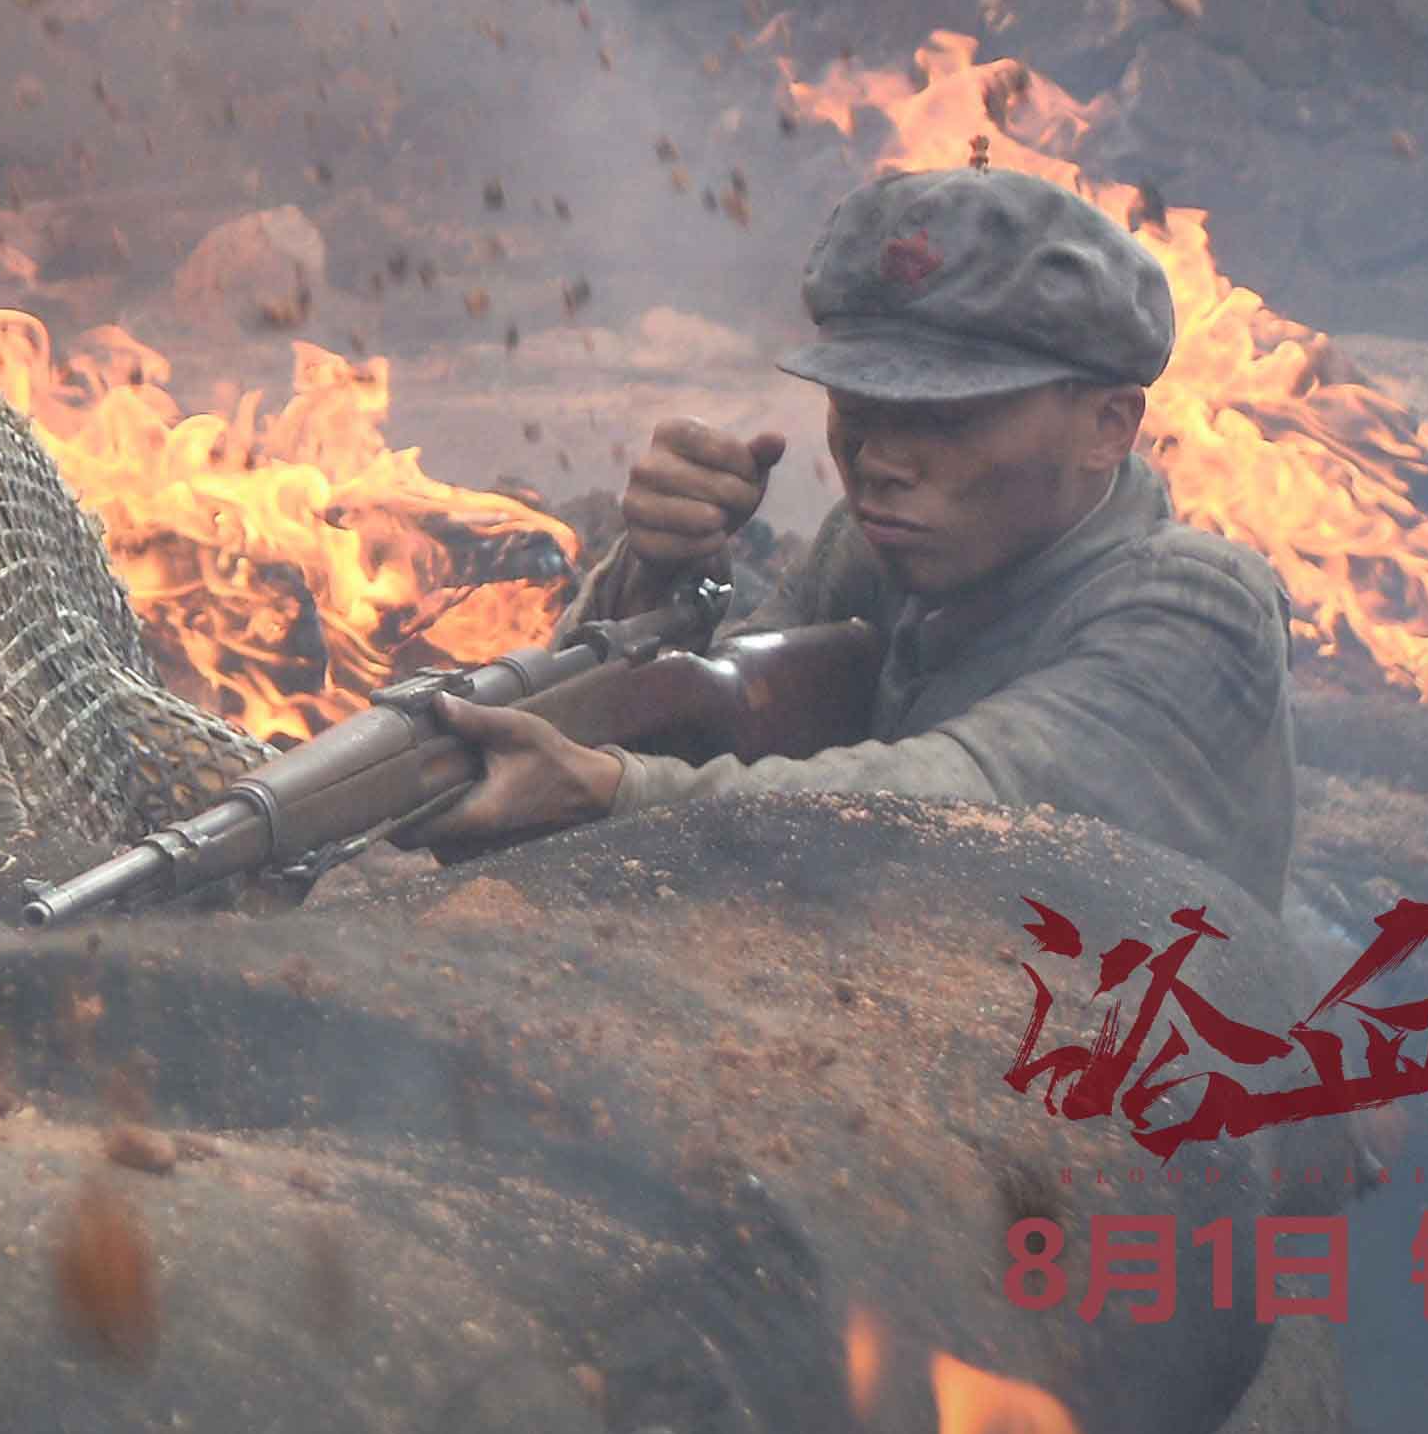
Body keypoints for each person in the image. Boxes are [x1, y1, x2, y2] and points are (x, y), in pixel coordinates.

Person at [416, 166, 1295, 902]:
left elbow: (956, 807)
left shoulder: (1197, 607)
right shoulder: (880, 546)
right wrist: (653, 583)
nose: (879, 458)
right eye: (859, 407)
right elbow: (704, 724)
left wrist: (609, 796)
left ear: (1109, 425)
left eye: (946, 418)